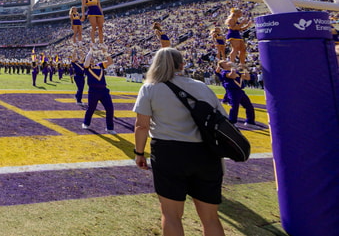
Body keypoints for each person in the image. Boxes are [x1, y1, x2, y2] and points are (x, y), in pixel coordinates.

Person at [132, 47, 227, 236]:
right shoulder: (201, 86)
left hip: (169, 152)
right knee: (210, 218)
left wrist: (139, 153)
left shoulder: (150, 88)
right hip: (206, 153)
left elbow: (141, 126)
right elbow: (222, 120)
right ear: (182, 64)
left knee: (171, 215)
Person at [81, 50, 116, 134]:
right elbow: (86, 63)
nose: (91, 58)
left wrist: (105, 52)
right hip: (93, 91)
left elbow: (110, 61)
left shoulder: (100, 65)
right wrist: (90, 50)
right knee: (91, 108)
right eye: (89, 57)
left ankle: (110, 128)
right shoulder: (86, 67)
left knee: (110, 108)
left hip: (104, 90)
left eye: (92, 57)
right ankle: (86, 123)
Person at [216, 60, 256, 126]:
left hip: (240, 91)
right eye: (225, 62)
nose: (227, 62)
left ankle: (250, 121)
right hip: (232, 91)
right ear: (223, 66)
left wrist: (244, 69)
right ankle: (232, 122)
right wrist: (233, 68)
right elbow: (233, 76)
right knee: (235, 107)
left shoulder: (236, 72)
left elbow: (248, 77)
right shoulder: (224, 72)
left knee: (249, 106)